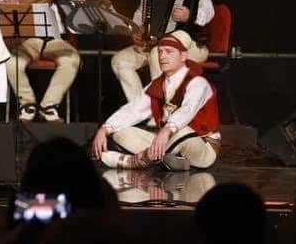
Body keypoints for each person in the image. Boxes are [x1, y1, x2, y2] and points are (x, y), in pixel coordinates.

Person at [92, 30, 219, 171]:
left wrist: (167, 130)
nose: (162, 56)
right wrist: (105, 128)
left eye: (169, 52)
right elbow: (134, 110)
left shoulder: (198, 82)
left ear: (183, 56)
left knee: (182, 131)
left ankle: (135, 161)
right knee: (120, 132)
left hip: (201, 146)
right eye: (160, 52)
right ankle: (171, 160)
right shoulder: (158, 85)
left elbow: (187, 110)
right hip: (168, 142)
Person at [111, 0, 214, 102]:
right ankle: (142, 109)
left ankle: (161, 110)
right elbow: (141, 11)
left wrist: (190, 15)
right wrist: (137, 30)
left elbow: (209, 12)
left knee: (157, 55)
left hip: (191, 45)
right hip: (154, 43)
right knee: (120, 61)